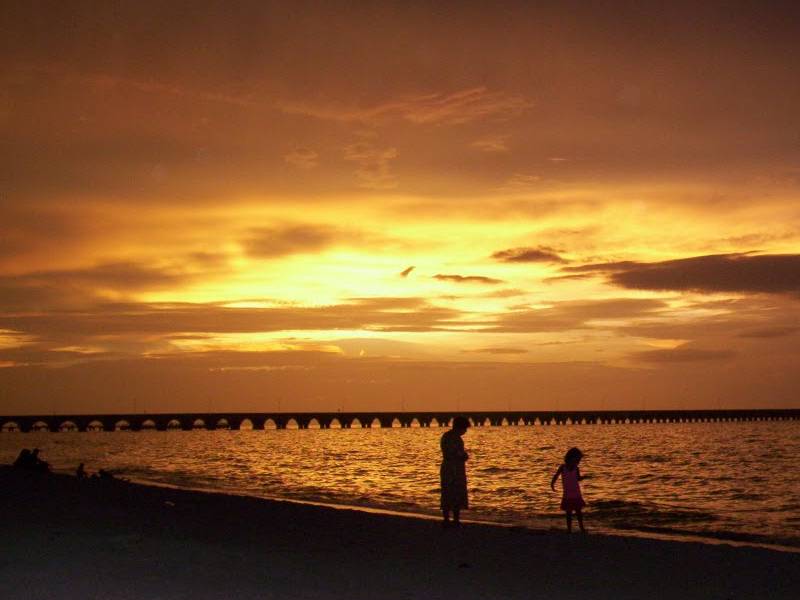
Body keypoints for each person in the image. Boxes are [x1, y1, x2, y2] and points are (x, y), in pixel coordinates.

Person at [550, 447, 590, 533]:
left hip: (576, 493)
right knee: (569, 513)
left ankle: (582, 528)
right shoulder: (562, 467)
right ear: (571, 458)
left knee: (578, 511)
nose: (578, 462)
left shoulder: (576, 468)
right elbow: (556, 475)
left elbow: (578, 478)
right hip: (567, 494)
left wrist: (584, 477)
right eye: (577, 459)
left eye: (579, 460)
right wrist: (552, 483)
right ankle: (569, 530)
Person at [440, 416, 470, 528]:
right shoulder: (455, 438)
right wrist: (464, 456)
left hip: (447, 468)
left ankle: (446, 519)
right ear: (460, 427)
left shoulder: (446, 436)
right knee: (457, 492)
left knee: (447, 492)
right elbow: (456, 454)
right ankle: (456, 520)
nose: (465, 431)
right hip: (455, 468)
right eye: (465, 428)